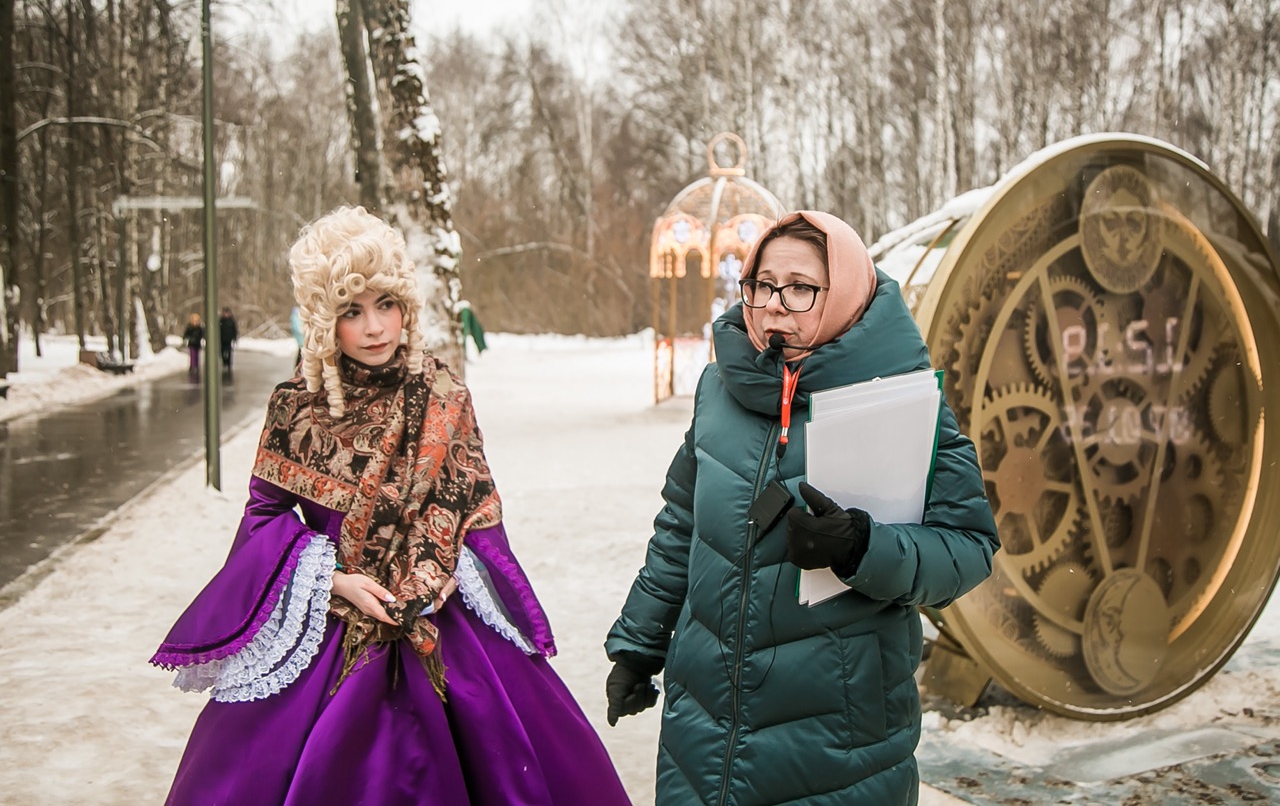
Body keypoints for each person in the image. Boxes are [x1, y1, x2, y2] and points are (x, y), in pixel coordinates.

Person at [152, 206, 630, 805]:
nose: (376, 327)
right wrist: (333, 579)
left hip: (444, 617)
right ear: (324, 321)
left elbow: (477, 506)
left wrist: (454, 570)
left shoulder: (444, 393)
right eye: (352, 311)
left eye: (386, 304)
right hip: (335, 624)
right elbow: (264, 516)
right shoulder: (297, 407)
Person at [604, 211, 999, 805]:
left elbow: (968, 547)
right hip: (703, 727)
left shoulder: (901, 400)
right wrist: (640, 644)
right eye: (762, 285)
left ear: (844, 294)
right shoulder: (721, 388)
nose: (774, 307)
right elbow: (683, 526)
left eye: (800, 288)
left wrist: (864, 548)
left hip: (837, 741)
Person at [218, 306, 238, 377]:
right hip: (222, 339)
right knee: (222, 351)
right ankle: (224, 362)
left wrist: (235, 338)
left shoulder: (231, 321)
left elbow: (234, 330)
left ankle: (229, 364)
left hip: (229, 339)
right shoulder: (221, 321)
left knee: (229, 351)